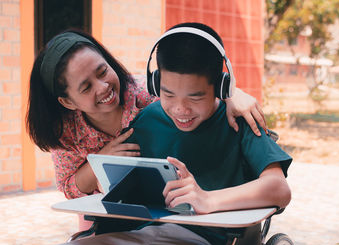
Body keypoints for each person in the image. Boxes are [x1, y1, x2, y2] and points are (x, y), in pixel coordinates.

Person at [29, 23, 292, 245]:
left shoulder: (240, 122)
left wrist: (207, 199)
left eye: (195, 96)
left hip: (195, 241)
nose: (180, 108)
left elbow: (279, 189)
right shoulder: (145, 118)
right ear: (155, 85)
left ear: (222, 86)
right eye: (168, 94)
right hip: (133, 232)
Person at [27, 30, 266, 202]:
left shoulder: (149, 94)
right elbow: (68, 187)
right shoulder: (65, 132)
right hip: (108, 204)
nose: (102, 87)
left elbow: (193, 92)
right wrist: (101, 161)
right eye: (86, 87)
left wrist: (232, 94)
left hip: (170, 200)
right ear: (67, 102)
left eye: (102, 71)